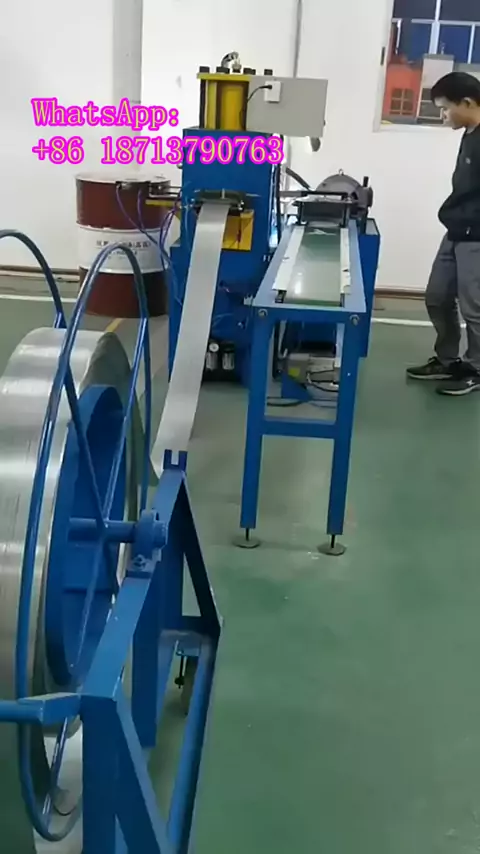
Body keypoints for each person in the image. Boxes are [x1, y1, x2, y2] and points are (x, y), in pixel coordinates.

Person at [407, 72, 480, 396]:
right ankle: (448, 359)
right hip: (456, 228)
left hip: (476, 235)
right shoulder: (469, 134)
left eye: (445, 108)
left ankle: (476, 369)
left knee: (474, 307)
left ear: (467, 102)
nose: (443, 116)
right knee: (437, 297)